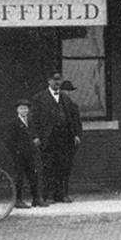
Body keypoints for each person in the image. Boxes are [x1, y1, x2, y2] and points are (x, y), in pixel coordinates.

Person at [33, 70, 76, 203]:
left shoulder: (65, 98)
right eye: (54, 80)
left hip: (64, 139)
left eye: (59, 80)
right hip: (48, 139)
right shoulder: (39, 98)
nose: (57, 82)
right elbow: (34, 119)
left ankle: (62, 194)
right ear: (49, 81)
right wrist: (35, 136)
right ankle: (48, 195)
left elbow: (71, 118)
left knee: (63, 166)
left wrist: (74, 134)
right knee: (48, 167)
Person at [4, 99, 47, 208]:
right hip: (19, 155)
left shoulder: (31, 121)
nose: (24, 110)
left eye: (26, 108)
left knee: (34, 176)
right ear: (17, 110)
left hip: (30, 153)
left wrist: (36, 138)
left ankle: (36, 199)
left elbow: (34, 133)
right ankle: (18, 200)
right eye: (21, 108)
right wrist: (16, 151)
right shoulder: (13, 123)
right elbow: (9, 140)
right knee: (19, 177)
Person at [57, 79, 84, 201]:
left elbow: (77, 123)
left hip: (69, 141)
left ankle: (64, 193)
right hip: (57, 141)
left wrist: (77, 135)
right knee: (56, 168)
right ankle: (57, 194)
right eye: (65, 91)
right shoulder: (57, 106)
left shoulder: (73, 106)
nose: (67, 93)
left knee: (66, 168)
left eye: (69, 91)